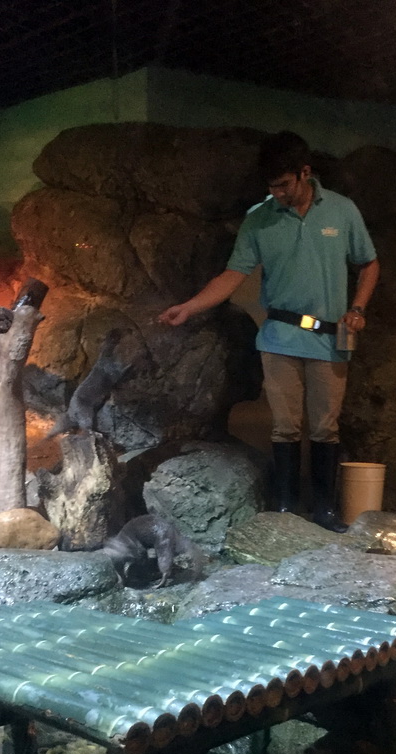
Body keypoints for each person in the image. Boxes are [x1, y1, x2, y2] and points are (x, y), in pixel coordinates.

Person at [159, 131, 379, 532]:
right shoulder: (259, 220)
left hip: (330, 338)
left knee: (325, 427)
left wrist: (358, 308)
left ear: (304, 173)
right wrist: (189, 307)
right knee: (285, 426)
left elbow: (369, 263)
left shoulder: (342, 212)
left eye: (283, 184)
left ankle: (325, 510)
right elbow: (232, 274)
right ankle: (284, 507)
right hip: (280, 335)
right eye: (271, 186)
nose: (277, 193)